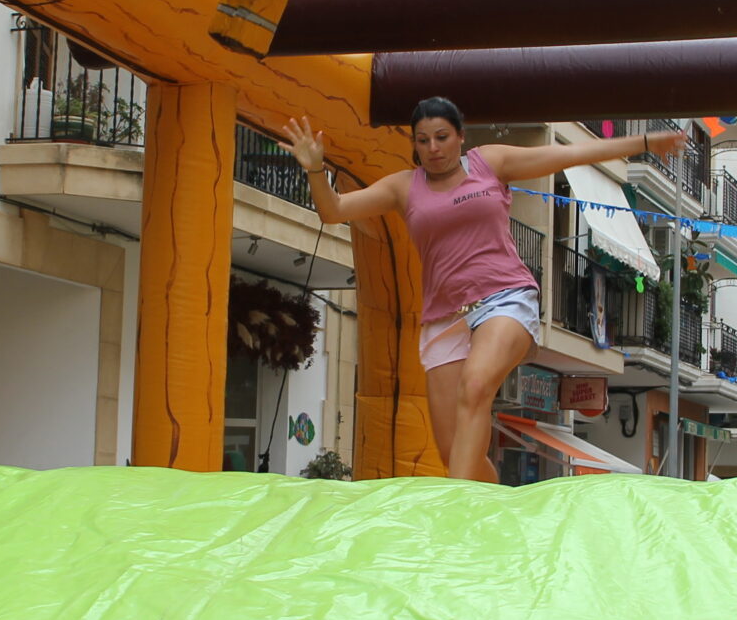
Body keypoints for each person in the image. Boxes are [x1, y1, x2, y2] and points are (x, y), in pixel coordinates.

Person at [283, 102, 683, 481]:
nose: (433, 148)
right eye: (423, 140)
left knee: (475, 387)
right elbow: (333, 211)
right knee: (455, 452)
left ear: (460, 137)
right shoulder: (404, 187)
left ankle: (457, 509)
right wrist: (316, 170)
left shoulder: (489, 163)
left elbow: (572, 156)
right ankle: (495, 512)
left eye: (441, 137)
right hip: (445, 319)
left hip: (505, 297)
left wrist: (644, 144)